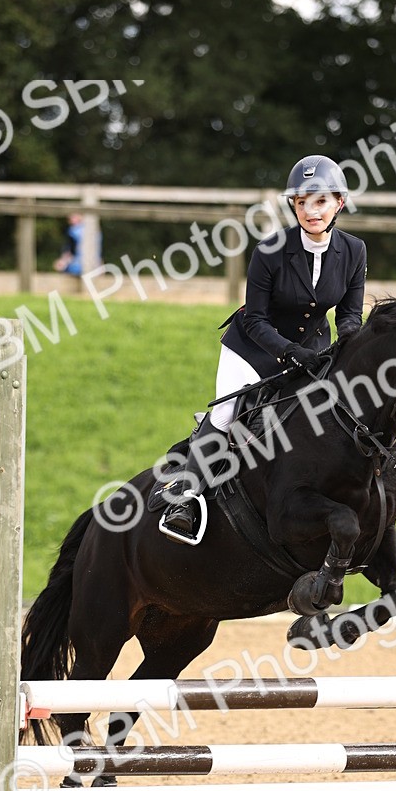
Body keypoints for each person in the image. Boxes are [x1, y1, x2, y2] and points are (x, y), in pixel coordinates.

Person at [162, 153, 367, 540]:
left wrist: (349, 348)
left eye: (320, 201)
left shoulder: (354, 251)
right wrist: (289, 352)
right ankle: (185, 497)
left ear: (339, 203)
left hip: (315, 348)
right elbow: (255, 318)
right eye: (302, 202)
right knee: (225, 413)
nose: (311, 211)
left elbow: (349, 316)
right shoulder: (270, 249)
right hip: (253, 346)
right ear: (293, 206)